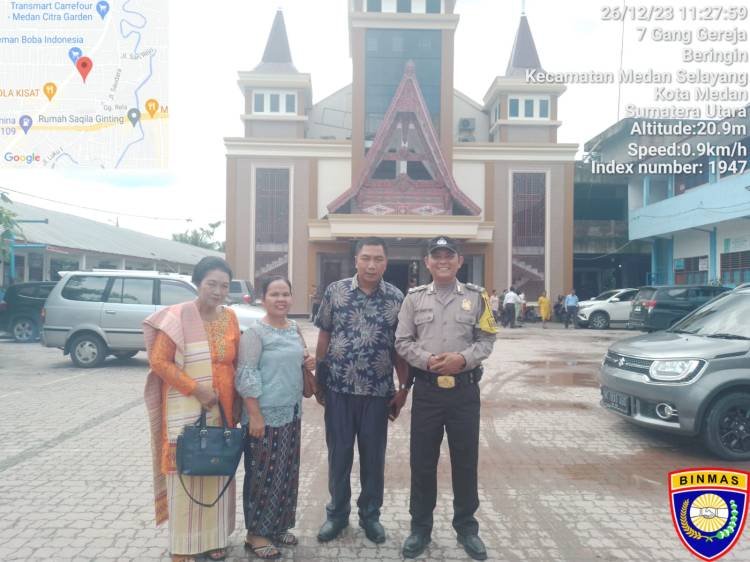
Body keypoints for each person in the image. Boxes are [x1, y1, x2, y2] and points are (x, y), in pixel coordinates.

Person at [395, 236, 497, 561]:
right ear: (427, 262)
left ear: (459, 261)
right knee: (422, 461)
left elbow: (486, 339)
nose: (442, 261)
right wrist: (427, 360)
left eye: (448, 256)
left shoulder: (477, 297)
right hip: (426, 390)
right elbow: (402, 340)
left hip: (464, 391)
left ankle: (467, 528)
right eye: (436, 256)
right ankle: (420, 528)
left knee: (465, 460)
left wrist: (462, 359)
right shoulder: (413, 299)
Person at [143, 257, 240, 562]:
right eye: (211, 283)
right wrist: (196, 388)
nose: (218, 291)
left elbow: (235, 362)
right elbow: (159, 362)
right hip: (186, 404)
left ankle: (213, 539)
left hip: (222, 405)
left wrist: (233, 405)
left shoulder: (231, 318)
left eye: (224, 285)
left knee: (215, 466)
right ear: (197, 283)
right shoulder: (177, 317)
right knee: (185, 467)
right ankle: (184, 545)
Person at [314, 237, 409, 545]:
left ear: (385, 262)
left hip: (377, 393)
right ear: (356, 260)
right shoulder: (336, 292)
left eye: (378, 259)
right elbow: (324, 334)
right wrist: (318, 377)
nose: (371, 265)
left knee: (373, 459)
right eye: (366, 258)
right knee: (339, 456)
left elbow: (399, 349)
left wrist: (404, 388)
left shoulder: (396, 298)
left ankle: (370, 516)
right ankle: (337, 515)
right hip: (339, 390)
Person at [235, 275, 316, 560]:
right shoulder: (255, 333)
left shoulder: (294, 328)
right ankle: (255, 533)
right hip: (264, 417)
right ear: (262, 299)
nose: (281, 299)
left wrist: (309, 361)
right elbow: (246, 374)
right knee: (261, 476)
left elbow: (302, 359)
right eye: (274, 294)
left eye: (285, 294)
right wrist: (254, 415)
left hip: (291, 413)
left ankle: (279, 524)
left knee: (286, 473)